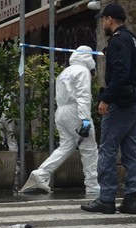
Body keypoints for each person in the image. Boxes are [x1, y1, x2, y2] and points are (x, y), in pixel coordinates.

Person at [81, 3, 136, 214]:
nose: (102, 23)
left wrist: (106, 98)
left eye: (103, 19)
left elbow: (120, 73)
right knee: (131, 151)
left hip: (123, 103)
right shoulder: (134, 40)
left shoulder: (119, 40)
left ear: (109, 19)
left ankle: (107, 199)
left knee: (108, 149)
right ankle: (131, 199)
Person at [20, 46, 99, 194]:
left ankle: (40, 174)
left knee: (66, 147)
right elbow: (83, 95)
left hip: (61, 112)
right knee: (89, 148)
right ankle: (92, 185)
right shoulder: (82, 71)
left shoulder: (65, 72)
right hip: (75, 111)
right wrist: (85, 119)